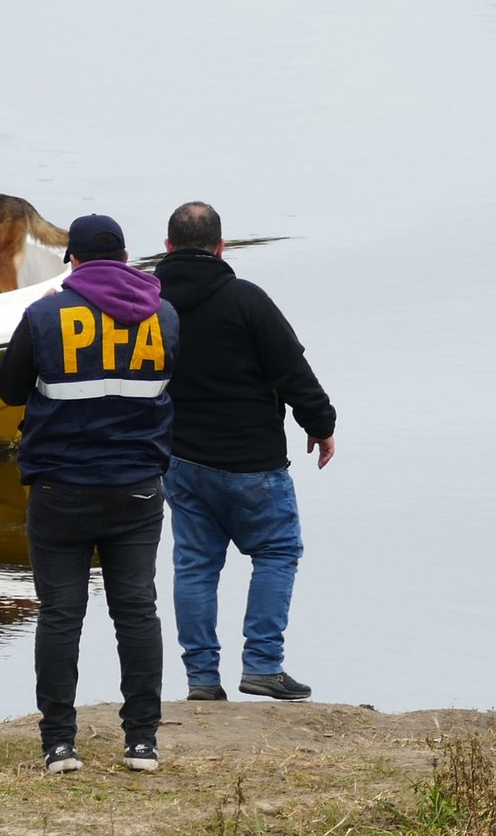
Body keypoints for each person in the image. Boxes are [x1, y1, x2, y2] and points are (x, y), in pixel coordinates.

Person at [0, 214, 179, 775]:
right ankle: (142, 741)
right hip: (138, 492)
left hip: (61, 490)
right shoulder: (164, 315)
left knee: (60, 616)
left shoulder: (47, 313)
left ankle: (59, 745)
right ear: (125, 257)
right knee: (137, 612)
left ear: (71, 259)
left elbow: (7, 388)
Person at [153, 201, 336, 704]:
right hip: (252, 462)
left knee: (194, 565)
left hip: (180, 460)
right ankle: (262, 665)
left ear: (167, 247)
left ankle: (201, 681)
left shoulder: (148, 306)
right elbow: (292, 370)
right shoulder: (245, 300)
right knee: (277, 552)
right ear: (220, 246)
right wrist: (321, 424)